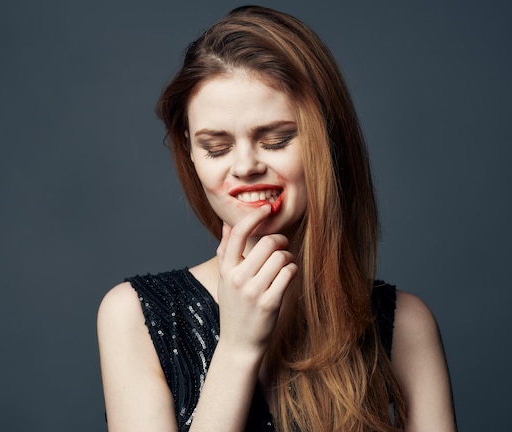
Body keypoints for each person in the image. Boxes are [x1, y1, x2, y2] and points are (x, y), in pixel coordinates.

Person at [97, 5, 456, 432]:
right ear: (189, 152)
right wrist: (236, 349)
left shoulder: (406, 327)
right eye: (216, 147)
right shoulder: (134, 316)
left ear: (328, 141)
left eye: (276, 139)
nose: (245, 166)